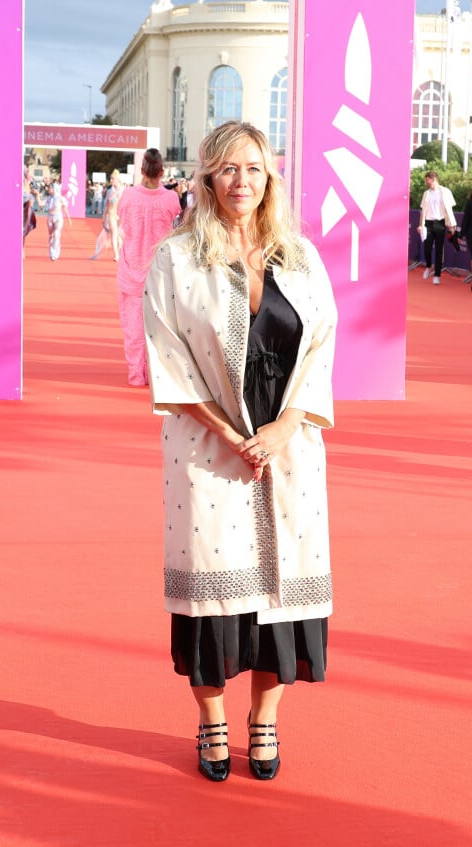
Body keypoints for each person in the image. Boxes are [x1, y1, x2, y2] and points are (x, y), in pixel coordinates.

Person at [143, 121, 337, 783]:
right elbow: (167, 355)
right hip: (208, 444)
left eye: (254, 169)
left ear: (270, 178)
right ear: (206, 178)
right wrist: (229, 432)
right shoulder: (176, 258)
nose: (241, 182)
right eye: (228, 169)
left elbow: (322, 347)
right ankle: (211, 720)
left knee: (281, 597)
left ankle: (266, 720)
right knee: (212, 599)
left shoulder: (300, 256)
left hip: (288, 442)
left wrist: (286, 427)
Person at [116, 149, 180, 387]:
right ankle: (156, 374)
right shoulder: (171, 199)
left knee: (132, 327)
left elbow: (123, 224)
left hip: (132, 270)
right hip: (159, 273)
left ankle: (135, 374)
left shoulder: (128, 196)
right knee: (160, 327)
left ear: (142, 170)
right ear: (161, 172)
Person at [417, 170, 457, 285]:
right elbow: (422, 210)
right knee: (427, 247)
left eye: (428, 181)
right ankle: (429, 266)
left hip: (440, 223)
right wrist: (421, 224)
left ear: (434, 179)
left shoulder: (445, 191)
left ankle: (437, 275)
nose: (427, 183)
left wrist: (452, 225)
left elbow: (450, 209)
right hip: (428, 223)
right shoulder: (426, 193)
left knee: (439, 250)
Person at [46, 181, 71, 261]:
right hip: (50, 217)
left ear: (53, 189)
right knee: (51, 236)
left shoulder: (60, 198)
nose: (48, 189)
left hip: (58, 217)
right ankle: (51, 252)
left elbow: (64, 208)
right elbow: (41, 204)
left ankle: (56, 254)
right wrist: (37, 196)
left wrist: (69, 219)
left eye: (49, 188)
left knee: (56, 234)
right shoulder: (49, 198)